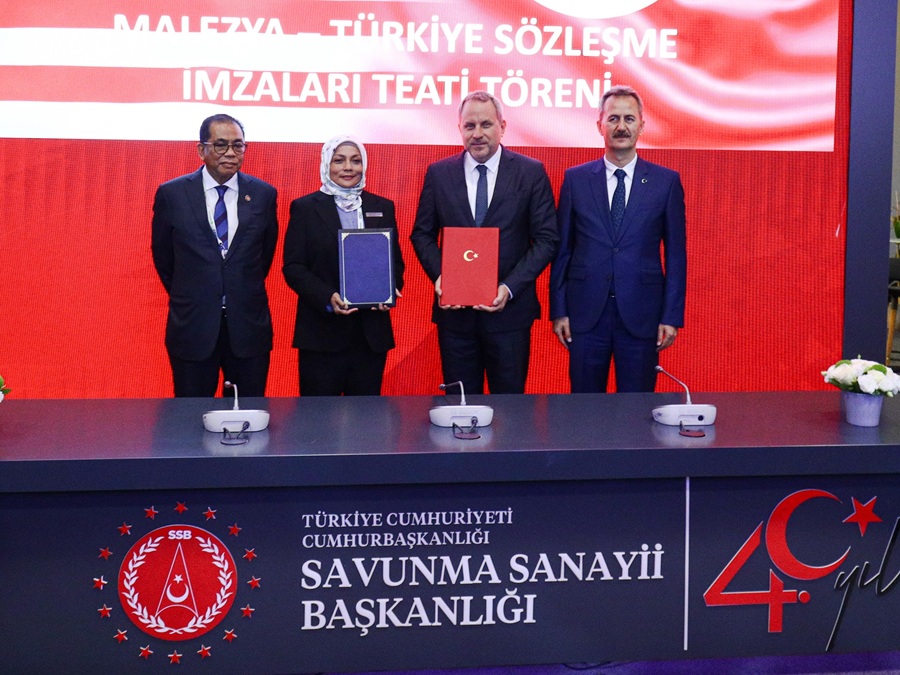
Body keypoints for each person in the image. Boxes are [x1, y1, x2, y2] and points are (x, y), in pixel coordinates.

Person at [410, 91, 558, 395]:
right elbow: (421, 234)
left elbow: (546, 239)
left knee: (511, 410)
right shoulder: (439, 174)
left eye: (486, 125)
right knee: (460, 407)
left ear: (503, 125)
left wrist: (509, 288)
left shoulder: (530, 172)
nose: (477, 134)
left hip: (510, 316)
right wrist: (442, 278)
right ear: (460, 128)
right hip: (456, 319)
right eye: (469, 126)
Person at [549, 85, 686, 393]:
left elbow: (676, 256)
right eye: (613, 119)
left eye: (628, 119)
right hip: (585, 315)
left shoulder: (666, 182)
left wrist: (671, 315)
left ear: (641, 125)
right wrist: (559, 310)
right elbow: (563, 250)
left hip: (642, 315)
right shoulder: (576, 179)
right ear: (600, 125)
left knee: (636, 413)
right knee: (584, 411)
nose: (621, 127)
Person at [151, 114, 278, 397]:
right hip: (193, 326)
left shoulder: (263, 194)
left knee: (249, 417)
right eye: (221, 145)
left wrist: (233, 286)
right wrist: (195, 291)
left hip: (247, 328)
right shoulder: (172, 194)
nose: (230, 153)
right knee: (189, 420)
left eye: (238, 145)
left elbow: (263, 257)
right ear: (201, 150)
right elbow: (164, 257)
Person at [282, 136, 405, 396]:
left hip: (371, 335)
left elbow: (396, 263)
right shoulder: (305, 208)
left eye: (356, 160)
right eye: (339, 160)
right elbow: (293, 267)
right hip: (321, 335)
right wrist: (328, 297)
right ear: (327, 164)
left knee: (366, 424)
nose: (348, 167)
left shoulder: (382, 207)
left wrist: (389, 290)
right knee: (319, 422)